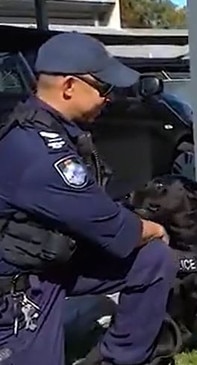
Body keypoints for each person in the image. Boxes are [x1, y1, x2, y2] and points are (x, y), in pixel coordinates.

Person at [0, 32, 177, 365]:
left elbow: (97, 206)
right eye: (104, 88)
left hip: (55, 260)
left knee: (152, 260)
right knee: (149, 240)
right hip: (20, 290)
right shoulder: (37, 152)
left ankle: (121, 358)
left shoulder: (53, 128)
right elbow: (114, 228)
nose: (109, 98)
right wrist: (154, 228)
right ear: (69, 86)